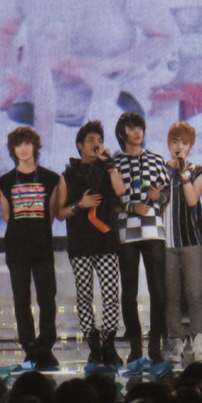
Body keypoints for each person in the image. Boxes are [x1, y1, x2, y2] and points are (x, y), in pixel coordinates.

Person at [56, 120, 124, 365]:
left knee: (110, 294)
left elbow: (121, 190)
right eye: (91, 140)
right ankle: (93, 344)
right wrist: (80, 205)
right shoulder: (67, 175)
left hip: (106, 242)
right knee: (84, 295)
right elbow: (60, 213)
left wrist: (111, 164)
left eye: (100, 140)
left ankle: (109, 343)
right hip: (81, 244)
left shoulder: (108, 169)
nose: (96, 144)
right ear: (80, 145)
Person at [0, 125, 61, 369]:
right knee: (21, 298)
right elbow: (7, 216)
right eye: (18, 144)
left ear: (35, 146)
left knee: (47, 297)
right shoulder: (4, 181)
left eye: (27, 143)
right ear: (12, 149)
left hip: (42, 246)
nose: (23, 149)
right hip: (16, 248)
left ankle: (46, 346)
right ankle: (29, 346)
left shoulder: (51, 178)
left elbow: (52, 213)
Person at [112, 110, 169, 362]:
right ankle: (135, 345)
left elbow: (166, 195)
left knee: (159, 290)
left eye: (140, 127)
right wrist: (129, 206)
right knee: (129, 292)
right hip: (126, 232)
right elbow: (110, 201)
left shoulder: (156, 159)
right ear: (121, 133)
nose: (137, 132)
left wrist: (159, 197)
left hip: (153, 230)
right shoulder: (114, 163)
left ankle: (156, 342)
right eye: (131, 128)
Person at [163, 121, 202, 364]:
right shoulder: (160, 170)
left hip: (191, 241)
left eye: (184, 143)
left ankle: (198, 344)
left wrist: (183, 173)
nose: (179, 147)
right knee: (171, 295)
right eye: (175, 142)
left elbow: (191, 200)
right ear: (168, 143)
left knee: (194, 294)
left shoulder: (198, 171)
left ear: (191, 146)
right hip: (165, 242)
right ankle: (176, 345)